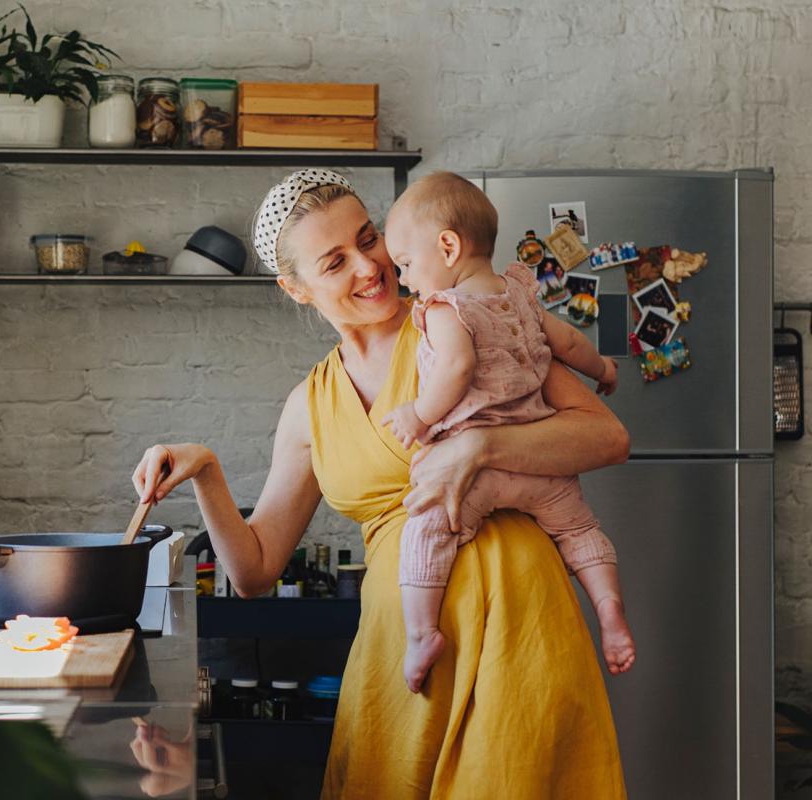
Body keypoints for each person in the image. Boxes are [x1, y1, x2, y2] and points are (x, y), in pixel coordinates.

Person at [133, 169, 628, 798]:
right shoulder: (309, 405)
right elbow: (255, 572)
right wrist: (206, 470)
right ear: (297, 288)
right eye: (335, 261)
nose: (370, 267)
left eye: (369, 240)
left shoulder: (465, 319)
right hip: (402, 652)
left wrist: (481, 445)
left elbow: (608, 437)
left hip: (520, 637)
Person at [379, 171, 635, 694]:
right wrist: (604, 370)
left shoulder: (446, 309)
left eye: (406, 264)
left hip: (478, 474)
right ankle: (609, 610)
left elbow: (455, 368)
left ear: (447, 246)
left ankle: (421, 633)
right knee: (580, 530)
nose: (405, 280)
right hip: (542, 465)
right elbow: (568, 342)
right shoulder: (521, 296)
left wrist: (420, 415)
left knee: (427, 527)